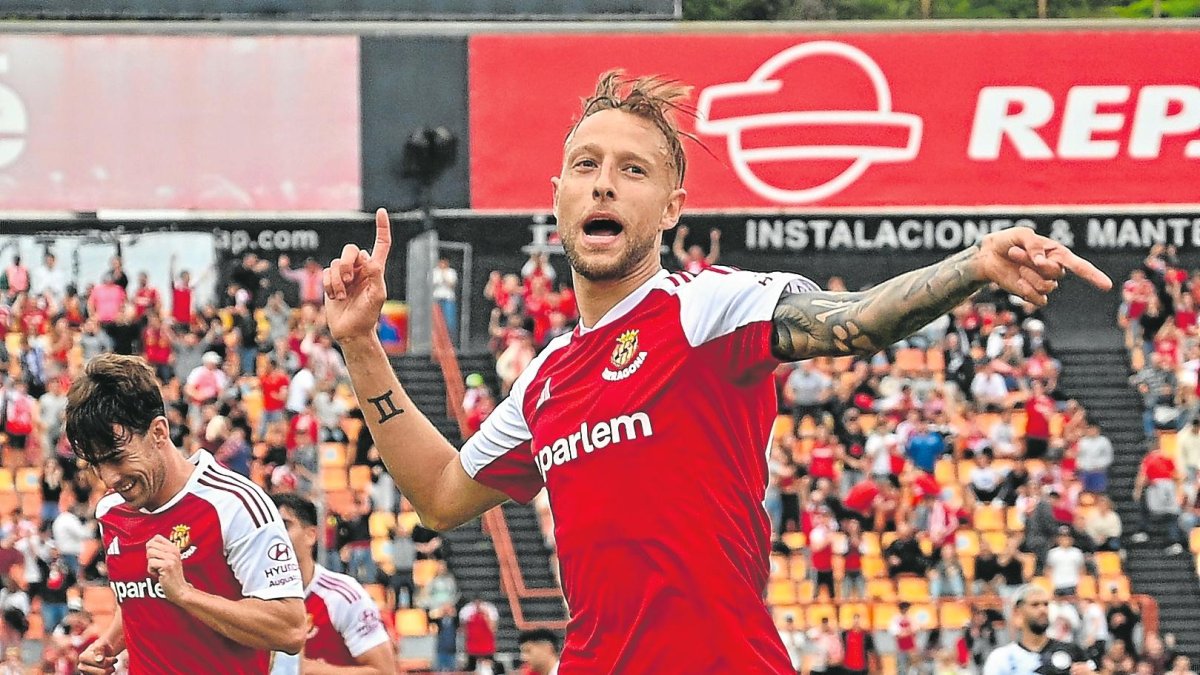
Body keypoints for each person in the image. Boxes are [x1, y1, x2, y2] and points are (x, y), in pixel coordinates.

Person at [321, 72, 1110, 671]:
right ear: (556, 197)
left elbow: (856, 321)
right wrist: (361, 345)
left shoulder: (708, 308)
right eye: (586, 164)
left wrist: (972, 264)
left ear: (671, 208)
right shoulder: (546, 379)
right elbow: (440, 495)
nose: (603, 180)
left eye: (633, 170)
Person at [66, 354, 305, 675]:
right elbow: (138, 601)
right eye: (98, 464)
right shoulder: (110, 510)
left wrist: (186, 594)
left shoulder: (234, 503)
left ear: (159, 432)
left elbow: (289, 630)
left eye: (117, 458)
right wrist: (108, 645)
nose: (109, 478)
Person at [268, 493, 395, 675]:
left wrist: (307, 669)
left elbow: (385, 672)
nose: (273, 535)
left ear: (311, 535)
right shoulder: (246, 597)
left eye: (284, 525)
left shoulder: (343, 596)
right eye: (266, 527)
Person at [983, 585, 1094, 674]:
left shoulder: (1073, 651)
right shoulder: (1001, 659)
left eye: (1046, 604)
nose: (1042, 609)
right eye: (1035, 605)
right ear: (1018, 613)